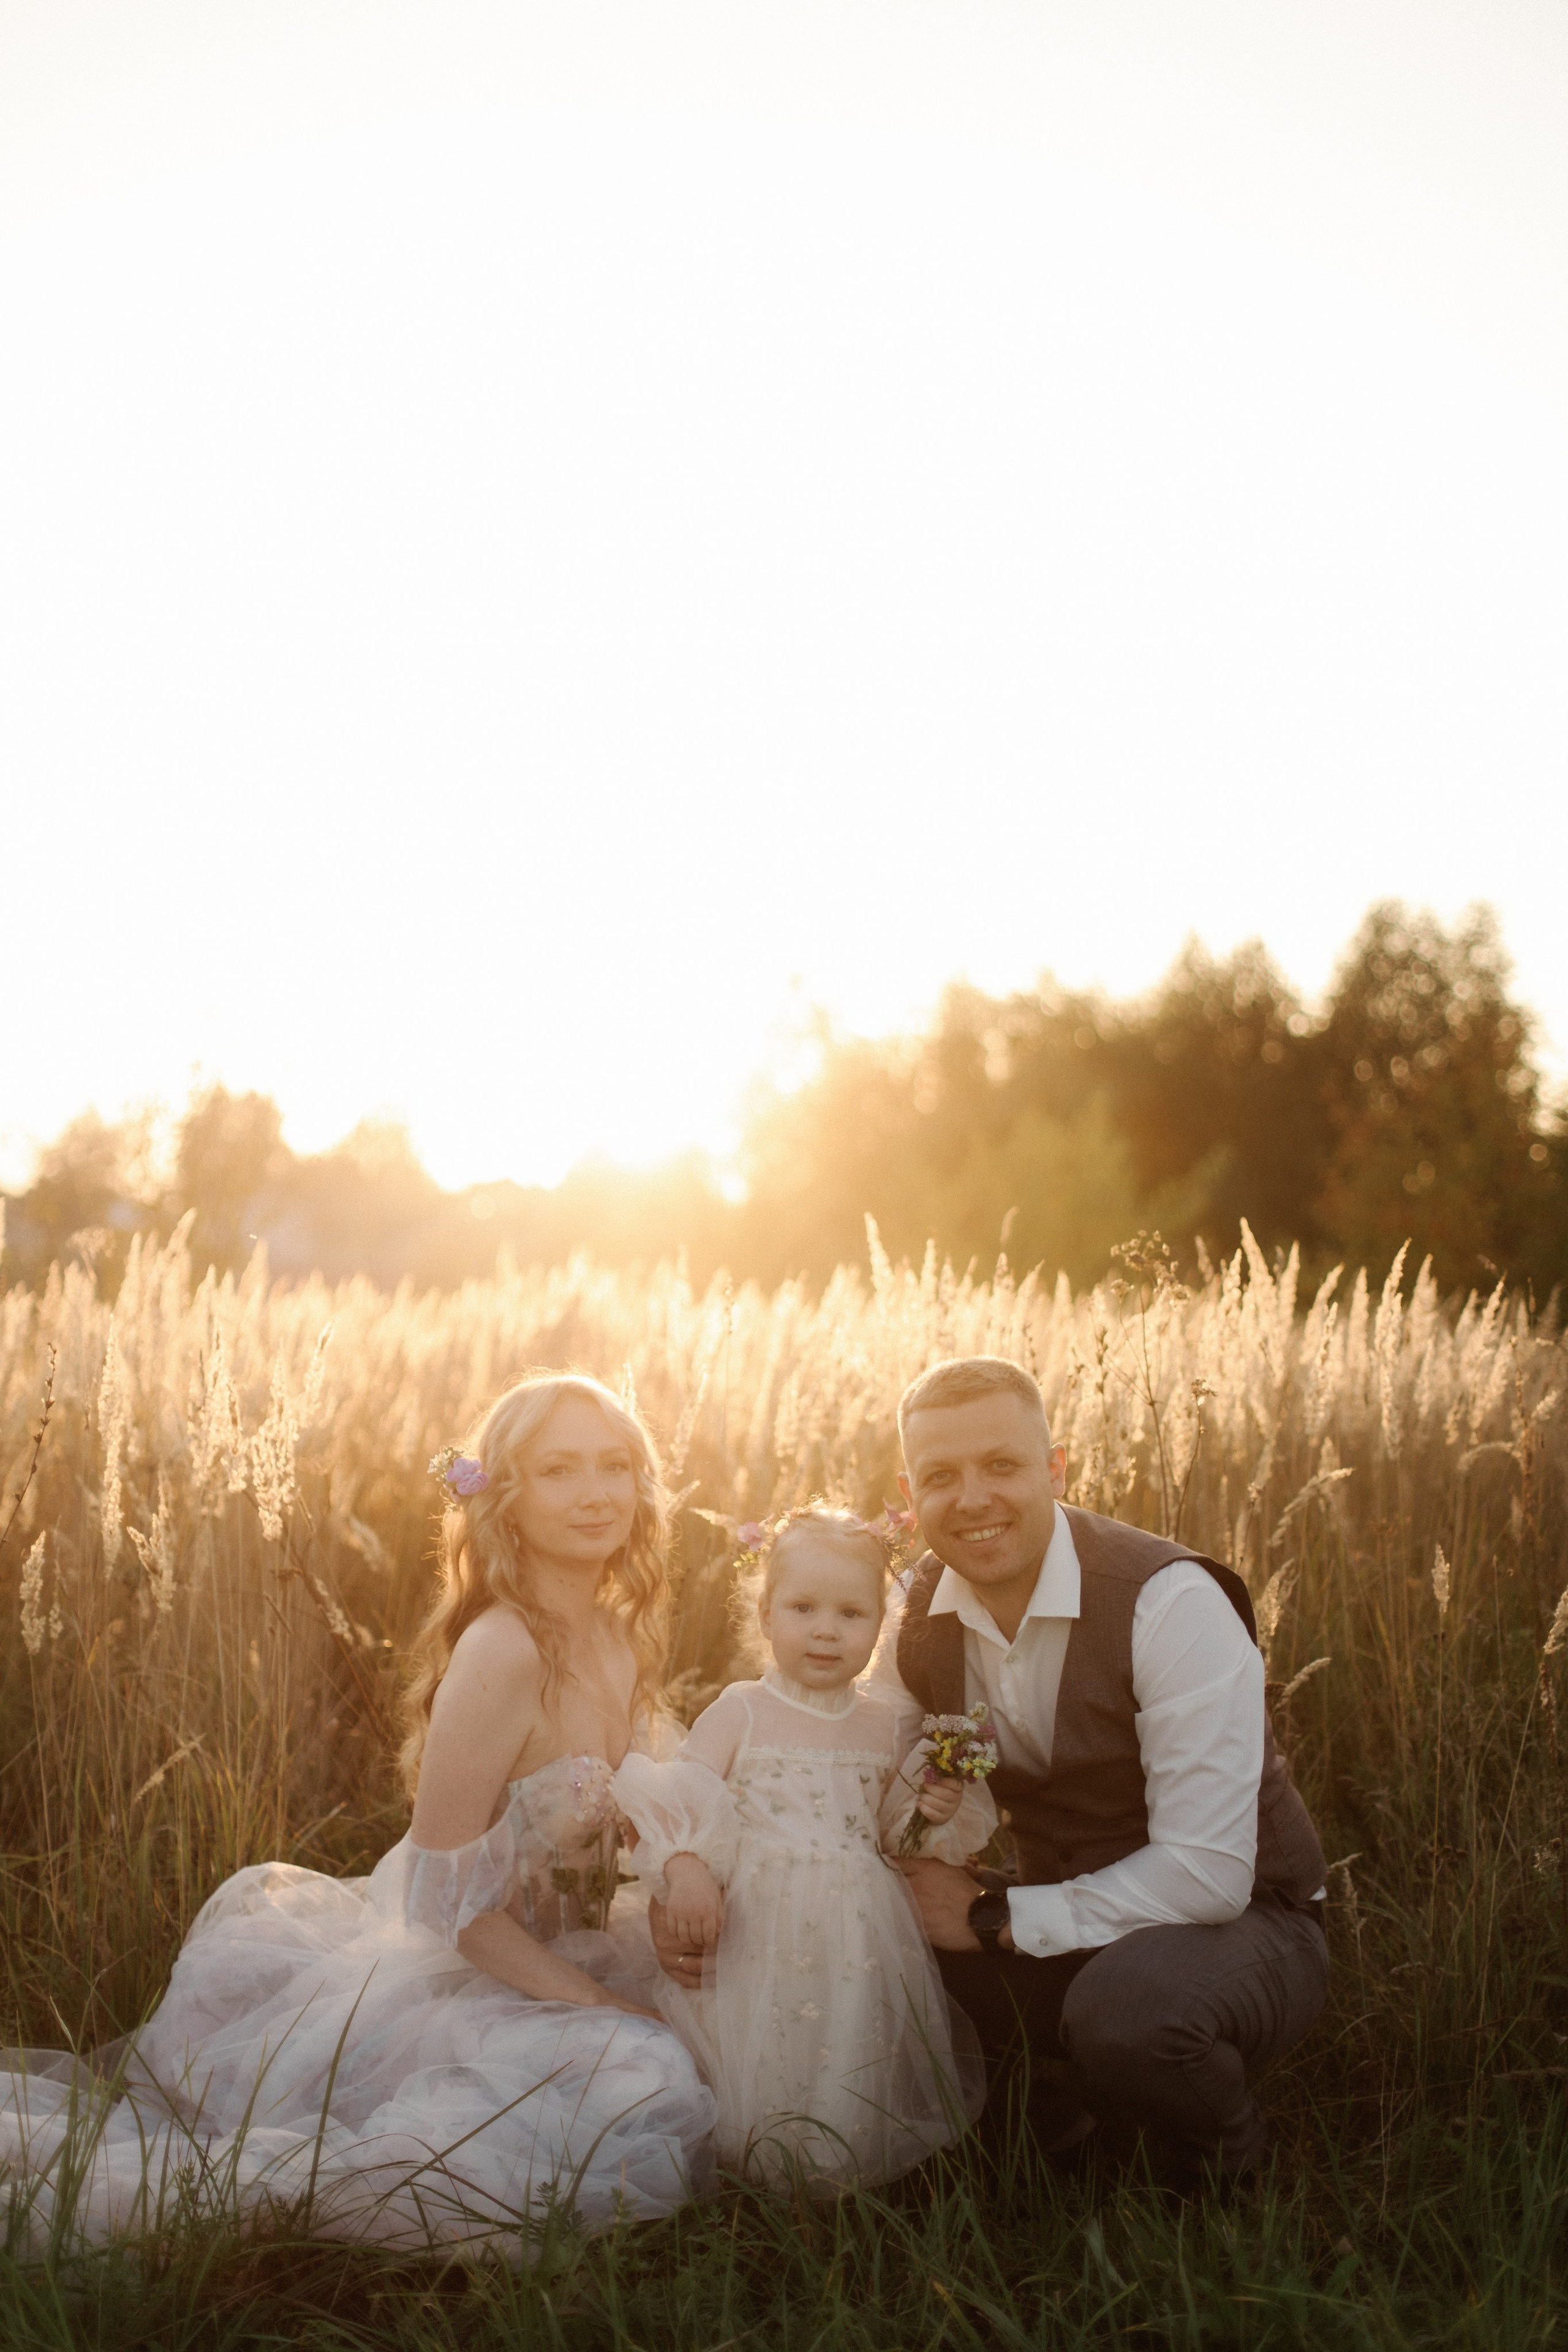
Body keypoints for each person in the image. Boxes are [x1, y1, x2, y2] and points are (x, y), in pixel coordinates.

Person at [0, 1373, 716, 2256]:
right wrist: (597, 2002)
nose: (597, 1492)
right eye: (560, 1470)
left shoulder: (613, 1632)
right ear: (506, 1497)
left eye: (615, 1466)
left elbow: (654, 1800)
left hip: (581, 1942)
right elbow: (442, 1899)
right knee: (640, 2077)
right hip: (479, 1968)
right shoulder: (503, 1650)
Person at [869, 1355, 1329, 2188]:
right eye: (941, 1476)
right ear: (911, 1494)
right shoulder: (919, 1613)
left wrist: (988, 1918)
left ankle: (1228, 2163)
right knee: (861, 1934)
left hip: (1247, 1924)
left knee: (1129, 2010)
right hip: (1054, 1901)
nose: (971, 1499)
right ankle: (1054, 2129)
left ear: (1055, 1469)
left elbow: (1211, 1874)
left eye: (1001, 1466)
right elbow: (858, 1769)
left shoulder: (1167, 1601)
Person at [616, 1507, 989, 2192]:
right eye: (803, 1608)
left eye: (852, 1613)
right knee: (762, 2039)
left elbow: (886, 1827)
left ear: (881, 1629)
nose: (825, 1629)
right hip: (756, 1919)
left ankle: (833, 2162)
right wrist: (687, 1865)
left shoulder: (882, 1725)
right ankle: (747, 2160)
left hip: (855, 1926)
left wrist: (929, 1807)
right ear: (764, 1616)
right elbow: (677, 1797)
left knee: (844, 2035)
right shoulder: (742, 1708)